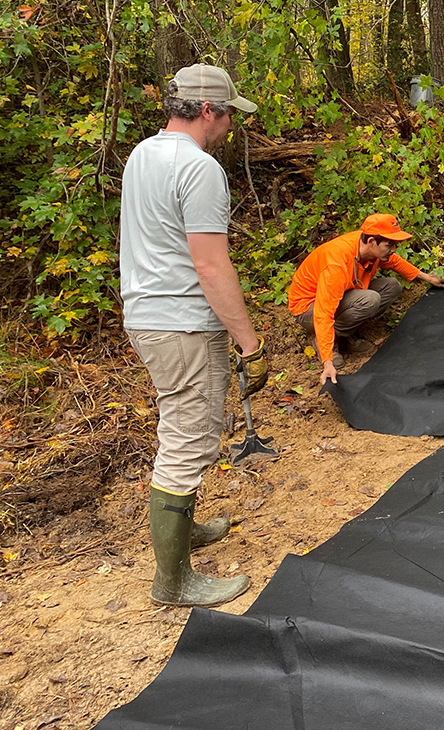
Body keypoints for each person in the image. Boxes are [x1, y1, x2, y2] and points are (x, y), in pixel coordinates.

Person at [120, 63, 269, 607]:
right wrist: (250, 342)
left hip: (145, 315)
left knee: (178, 424)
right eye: (228, 113)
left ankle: (184, 531)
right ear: (208, 110)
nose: (231, 124)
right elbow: (210, 266)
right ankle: (174, 580)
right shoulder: (200, 169)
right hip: (182, 322)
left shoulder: (143, 154)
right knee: (187, 442)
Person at [288, 213, 444, 387]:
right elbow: (323, 312)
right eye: (389, 244)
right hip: (308, 308)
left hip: (343, 293)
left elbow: (394, 262)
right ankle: (328, 341)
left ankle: (344, 333)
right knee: (370, 299)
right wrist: (327, 362)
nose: (393, 249)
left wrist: (426, 277)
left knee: (391, 286)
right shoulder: (337, 264)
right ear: (372, 242)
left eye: (395, 244)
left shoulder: (367, 247)